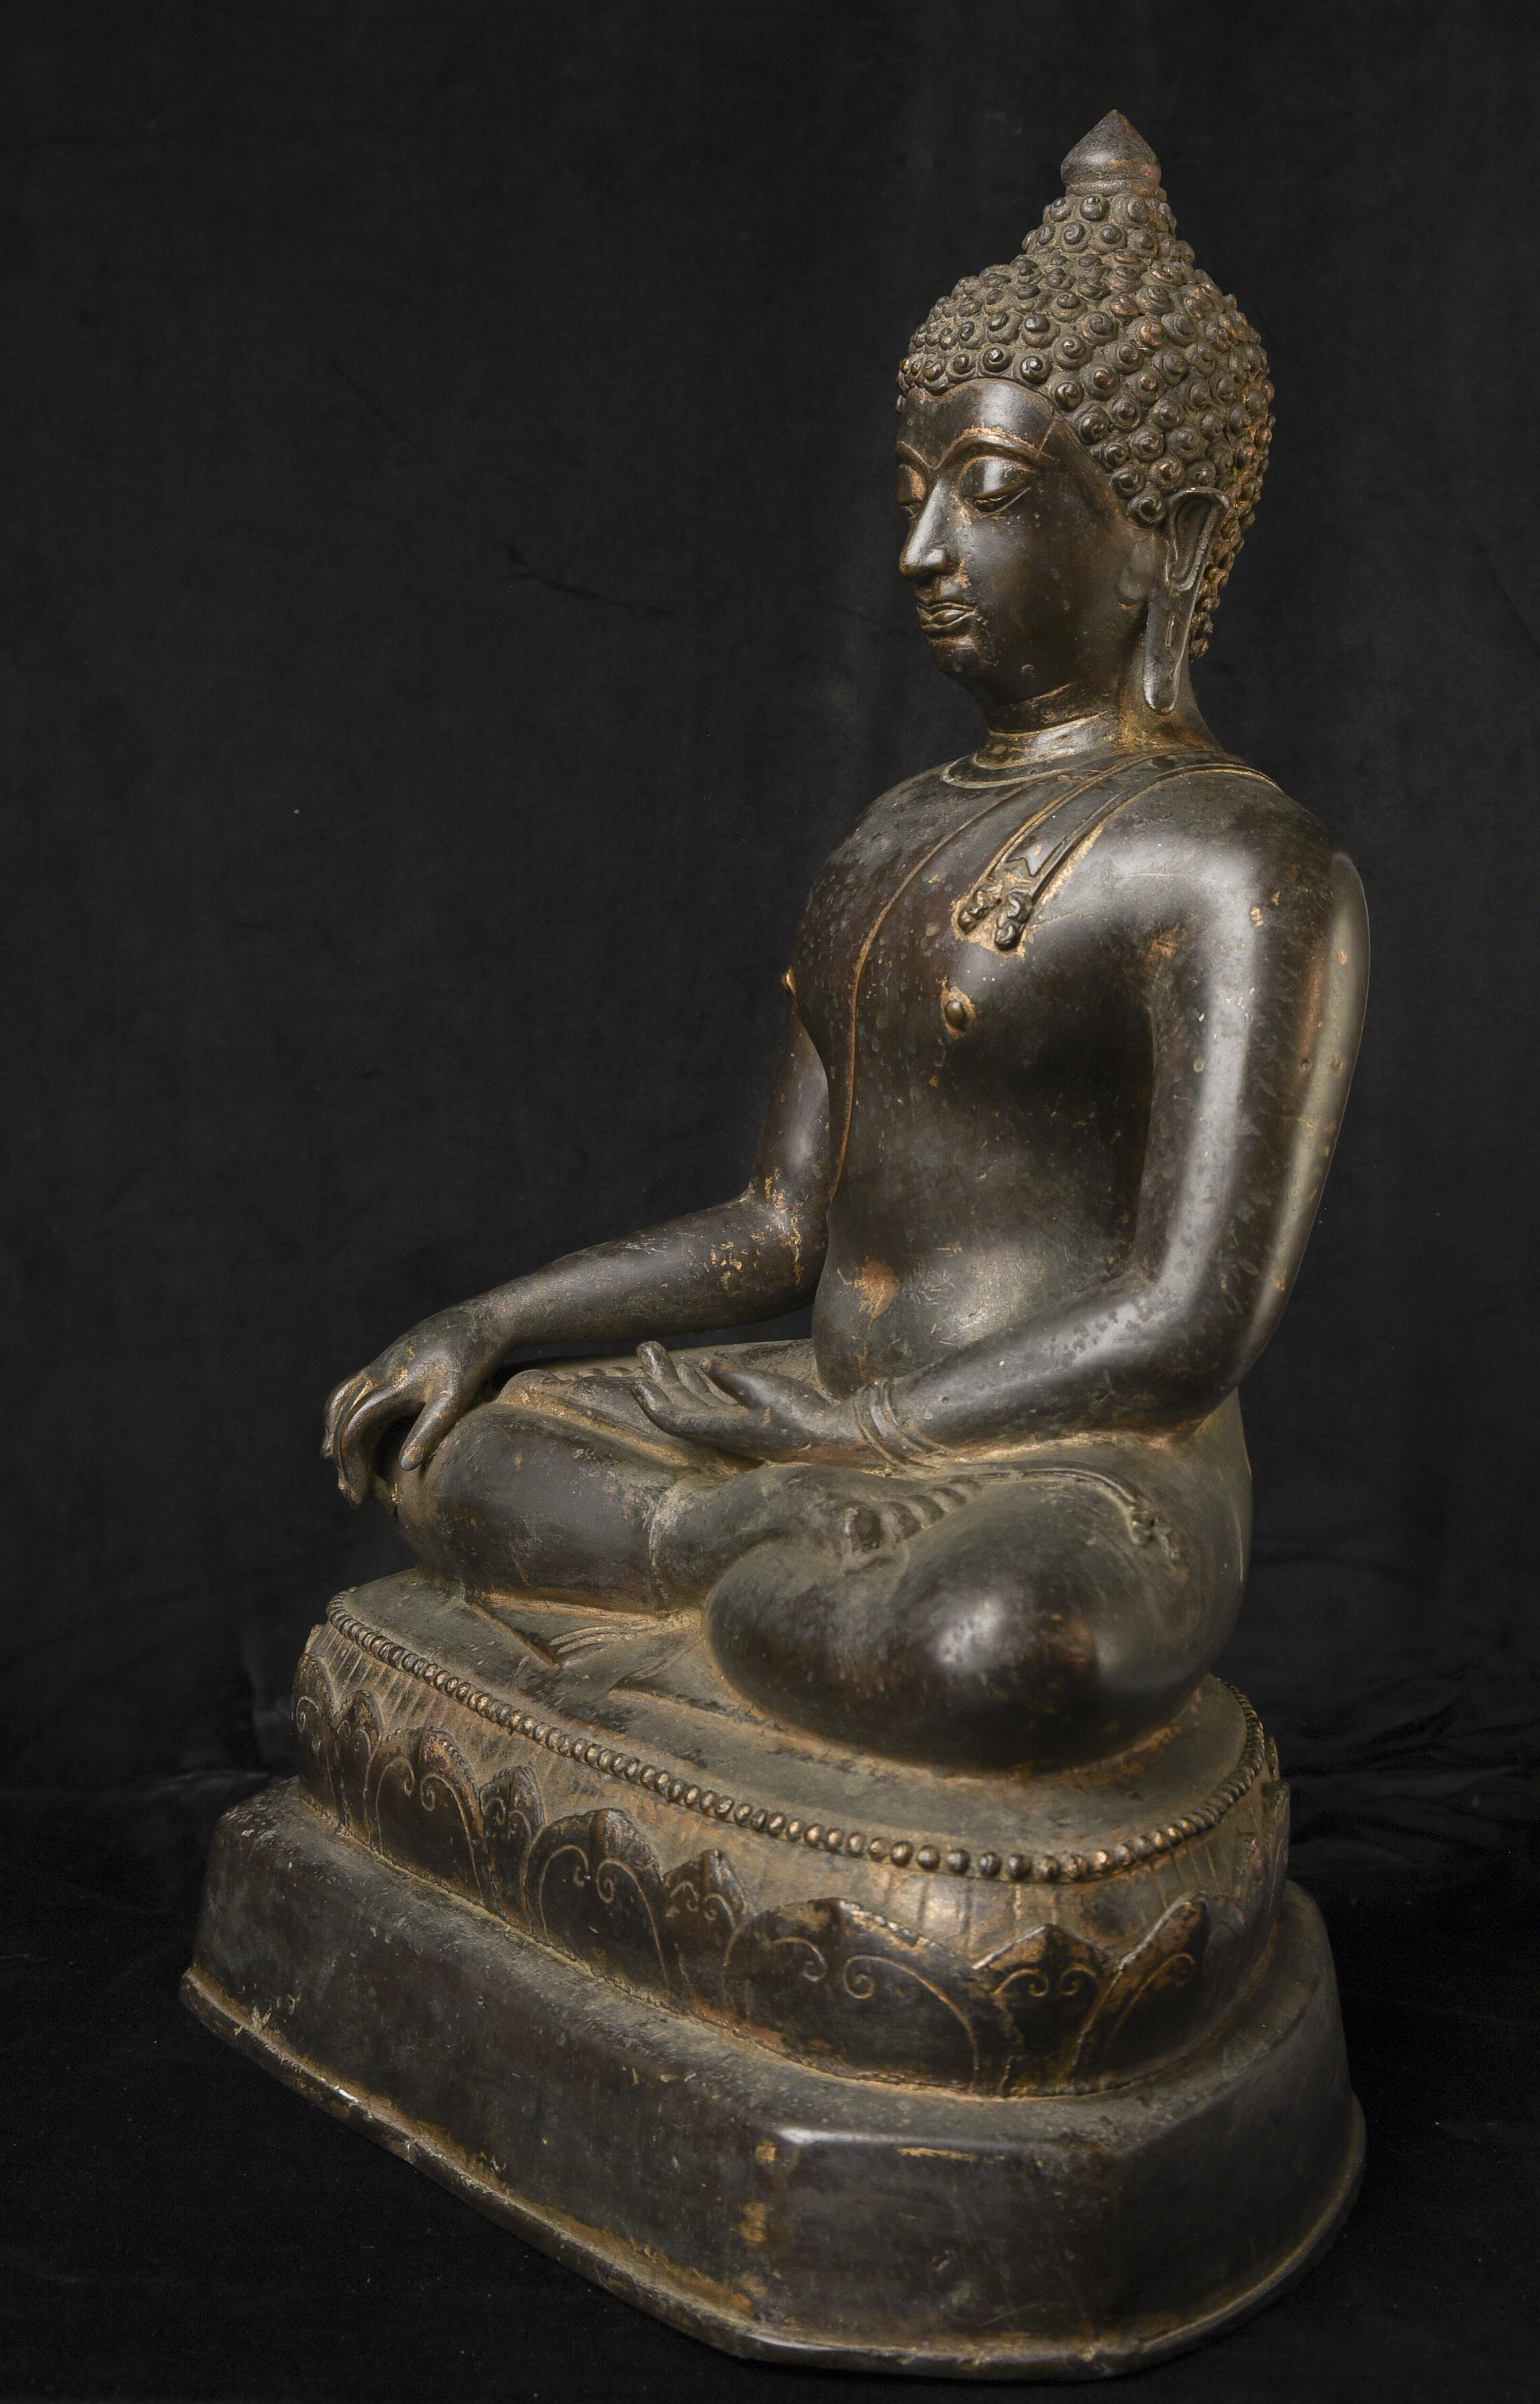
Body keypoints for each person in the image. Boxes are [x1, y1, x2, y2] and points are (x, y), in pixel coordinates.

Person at [322, 113, 1367, 1774]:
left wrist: (864, 1423)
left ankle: (706, 1591)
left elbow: (1186, 1321)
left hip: (1065, 1467)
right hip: (800, 1429)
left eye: (992, 496)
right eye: (913, 493)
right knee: (460, 1446)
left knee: (1000, 1645)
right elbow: (780, 1223)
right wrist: (499, 1319)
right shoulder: (887, 835)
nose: (923, 552)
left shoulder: (1236, 863)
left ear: (1162, 537)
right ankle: (733, 1564)